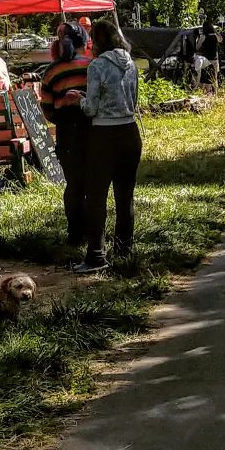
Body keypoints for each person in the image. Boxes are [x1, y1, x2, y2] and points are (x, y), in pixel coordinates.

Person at [65, 19, 141, 273]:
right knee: (125, 195)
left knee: (96, 196)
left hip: (105, 134)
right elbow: (133, 99)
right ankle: (124, 249)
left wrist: (79, 100)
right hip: (130, 131)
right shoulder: (130, 62)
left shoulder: (97, 66)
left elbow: (92, 108)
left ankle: (96, 254)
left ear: (96, 42)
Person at [41, 21, 92, 245]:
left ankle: (74, 233)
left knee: (73, 184)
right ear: (85, 41)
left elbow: (47, 109)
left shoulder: (51, 71)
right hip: (91, 128)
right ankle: (94, 231)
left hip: (66, 131)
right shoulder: (92, 66)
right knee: (93, 183)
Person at [193, 18, 220, 89]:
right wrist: (215, 31)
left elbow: (197, 47)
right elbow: (221, 39)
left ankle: (207, 94)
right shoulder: (215, 36)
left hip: (207, 60)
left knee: (207, 80)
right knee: (215, 79)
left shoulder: (204, 37)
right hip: (215, 59)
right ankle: (216, 94)